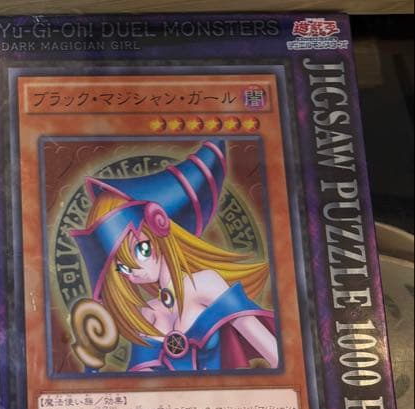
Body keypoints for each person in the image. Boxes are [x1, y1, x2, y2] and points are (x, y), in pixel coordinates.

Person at [70, 140, 277, 373]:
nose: (135, 272)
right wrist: (91, 364)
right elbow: (139, 387)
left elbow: (275, 354)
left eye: (141, 250)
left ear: (160, 231)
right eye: (123, 268)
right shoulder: (146, 314)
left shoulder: (205, 284)